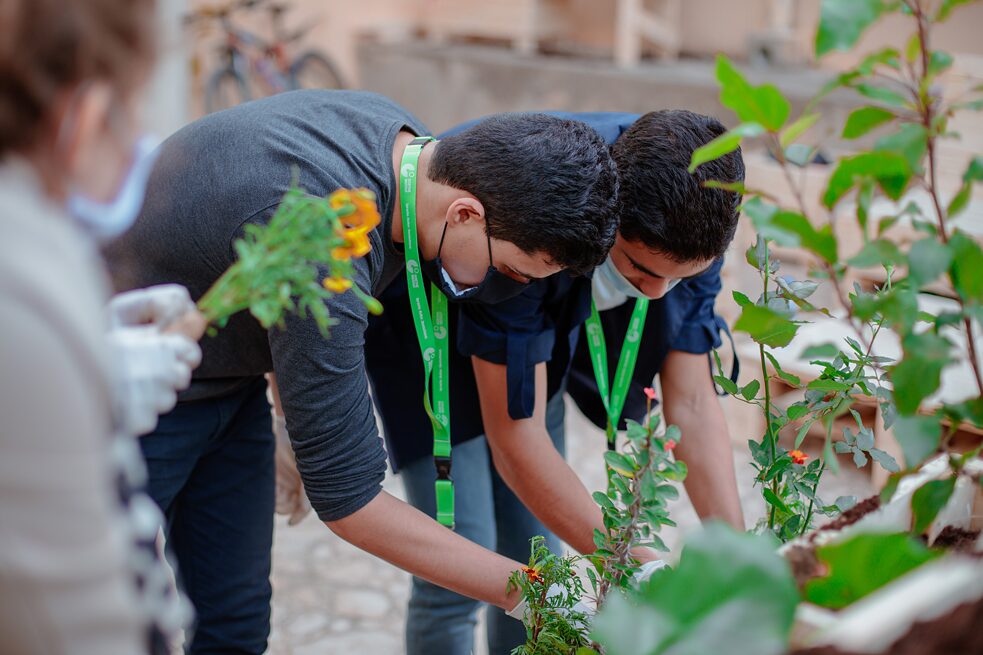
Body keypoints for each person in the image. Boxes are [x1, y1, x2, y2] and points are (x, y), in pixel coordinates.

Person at [102, 90, 620, 654]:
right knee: (100, 616)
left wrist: (287, 409)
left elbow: (280, 300)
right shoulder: (331, 252)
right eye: (512, 272)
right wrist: (531, 592)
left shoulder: (412, 151)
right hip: (126, 393)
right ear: (465, 213)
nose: (514, 289)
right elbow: (349, 500)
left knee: (236, 621)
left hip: (231, 377)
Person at [364, 110, 746, 654]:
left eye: (680, 278)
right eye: (641, 270)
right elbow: (518, 444)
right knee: (460, 562)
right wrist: (640, 567)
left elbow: (689, 397)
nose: (659, 294)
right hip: (435, 333)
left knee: (537, 556)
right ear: (606, 225)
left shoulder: (692, 206)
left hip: (532, 334)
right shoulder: (537, 229)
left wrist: (741, 557)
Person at [0, 0, 204, 652]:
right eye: (135, 105)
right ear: (83, 116)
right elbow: (89, 623)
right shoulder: (26, 278)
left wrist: (99, 348)